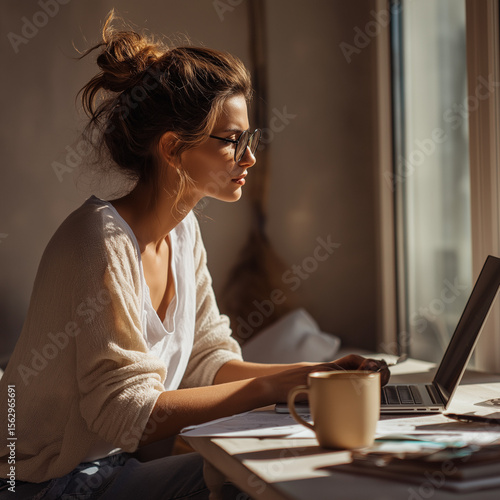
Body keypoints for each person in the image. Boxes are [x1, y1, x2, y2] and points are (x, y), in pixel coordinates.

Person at [0, 12, 390, 500]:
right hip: (37, 480)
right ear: (172, 148)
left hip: (112, 467)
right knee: (254, 485)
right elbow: (126, 414)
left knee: (288, 475)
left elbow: (209, 361)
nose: (248, 158)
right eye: (231, 141)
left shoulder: (183, 233)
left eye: (249, 139)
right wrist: (286, 381)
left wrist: (317, 375)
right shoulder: (96, 242)